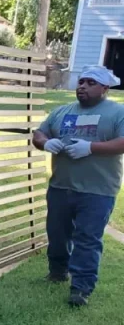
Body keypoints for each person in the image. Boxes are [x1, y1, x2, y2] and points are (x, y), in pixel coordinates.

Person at [32, 65, 124, 307]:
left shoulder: (117, 112)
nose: (82, 86)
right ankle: (57, 271)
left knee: (87, 238)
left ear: (105, 88)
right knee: (57, 233)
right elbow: (38, 133)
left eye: (91, 82)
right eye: (81, 81)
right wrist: (46, 142)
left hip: (98, 190)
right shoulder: (62, 111)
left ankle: (81, 287)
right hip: (61, 186)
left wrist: (91, 148)